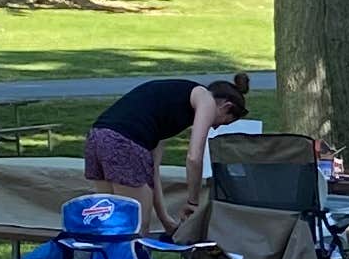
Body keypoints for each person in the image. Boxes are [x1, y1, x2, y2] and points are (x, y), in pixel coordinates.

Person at [83, 72, 249, 233]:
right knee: (137, 226)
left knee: (108, 219)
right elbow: (194, 158)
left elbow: (152, 171)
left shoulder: (163, 109)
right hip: (123, 143)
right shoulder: (205, 98)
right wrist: (193, 202)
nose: (215, 127)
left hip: (97, 137)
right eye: (223, 122)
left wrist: (166, 220)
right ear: (227, 106)